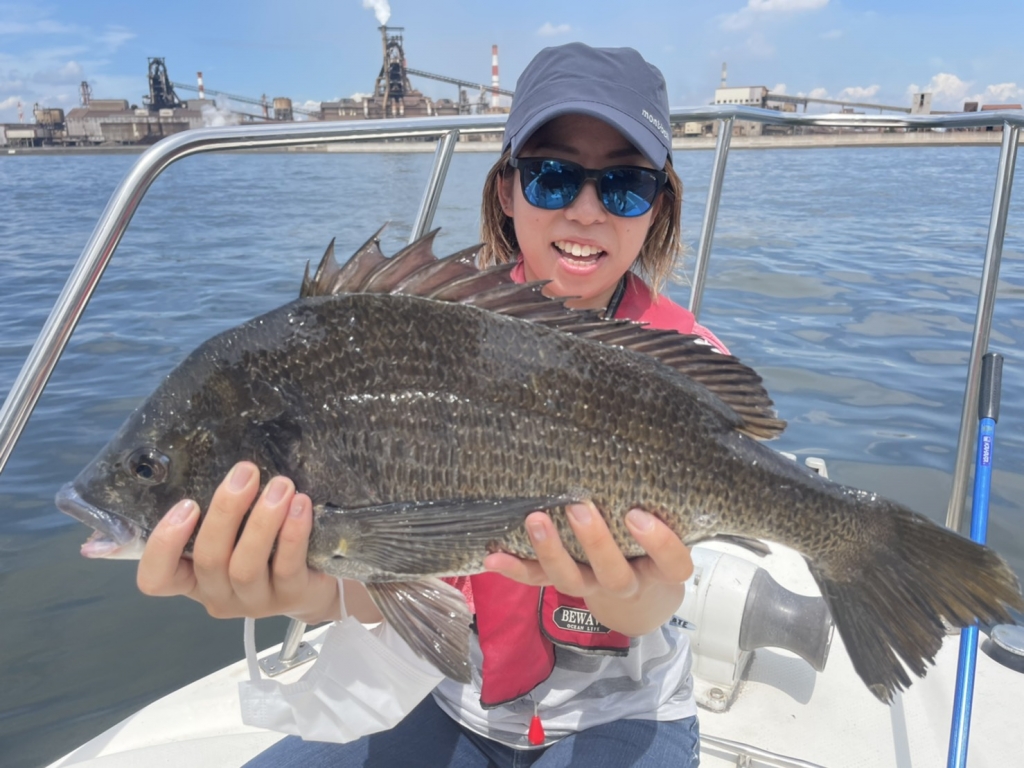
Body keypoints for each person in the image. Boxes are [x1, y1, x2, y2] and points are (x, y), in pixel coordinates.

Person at [137, 42, 729, 767]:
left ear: (658, 205)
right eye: (551, 177)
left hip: (623, 711)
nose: (586, 210)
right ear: (507, 190)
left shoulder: (687, 365)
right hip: (448, 694)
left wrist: (632, 598)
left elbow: (654, 606)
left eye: (625, 187)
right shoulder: (433, 339)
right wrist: (306, 592)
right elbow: (395, 586)